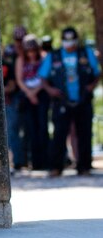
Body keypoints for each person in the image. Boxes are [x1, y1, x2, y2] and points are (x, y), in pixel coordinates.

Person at [38, 27, 100, 176]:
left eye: (71, 39)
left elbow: (97, 73)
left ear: (76, 40)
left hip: (83, 99)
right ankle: (56, 167)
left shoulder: (86, 53)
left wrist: (91, 86)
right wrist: (50, 89)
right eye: (66, 39)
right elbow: (43, 76)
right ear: (62, 40)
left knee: (84, 133)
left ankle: (84, 167)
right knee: (59, 134)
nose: (69, 43)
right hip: (61, 100)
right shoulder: (54, 56)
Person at [15, 34, 49, 170]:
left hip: (42, 94)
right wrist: (29, 93)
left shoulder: (45, 57)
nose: (31, 53)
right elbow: (19, 79)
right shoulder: (20, 60)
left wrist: (36, 92)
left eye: (33, 50)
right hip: (27, 97)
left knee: (43, 127)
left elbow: (45, 77)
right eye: (28, 51)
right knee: (31, 129)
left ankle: (47, 161)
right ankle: (35, 162)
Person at [2, 45, 24, 171]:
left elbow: (12, 85)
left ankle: (17, 162)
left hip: (9, 102)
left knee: (12, 132)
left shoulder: (7, 66)